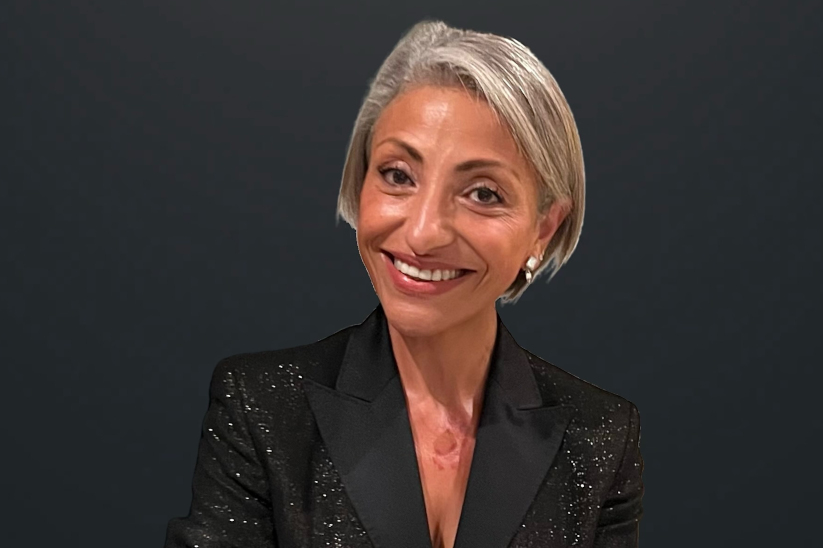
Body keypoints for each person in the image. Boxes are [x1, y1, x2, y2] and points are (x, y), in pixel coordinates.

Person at [164, 19, 643, 548]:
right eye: (398, 175)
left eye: (483, 193)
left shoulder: (601, 436)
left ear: (544, 228)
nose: (422, 233)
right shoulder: (259, 408)